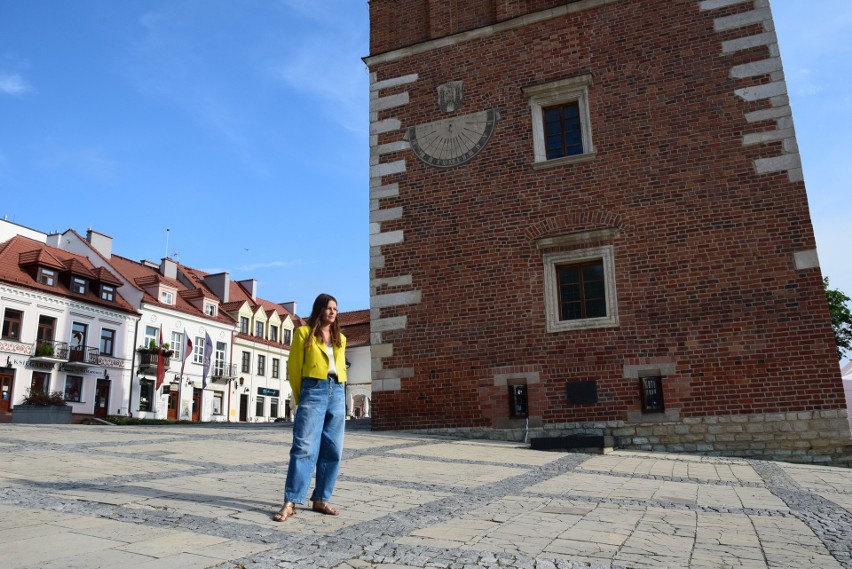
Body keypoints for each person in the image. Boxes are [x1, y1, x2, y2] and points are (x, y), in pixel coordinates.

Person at [274, 293, 347, 522]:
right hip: (312, 389)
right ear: (319, 310)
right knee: (304, 447)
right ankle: (291, 501)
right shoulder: (303, 334)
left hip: (337, 390)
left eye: (335, 308)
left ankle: (321, 499)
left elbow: (341, 369)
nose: (333, 312)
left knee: (333, 449)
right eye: (328, 308)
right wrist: (300, 398)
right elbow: (294, 369)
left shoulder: (341, 339)